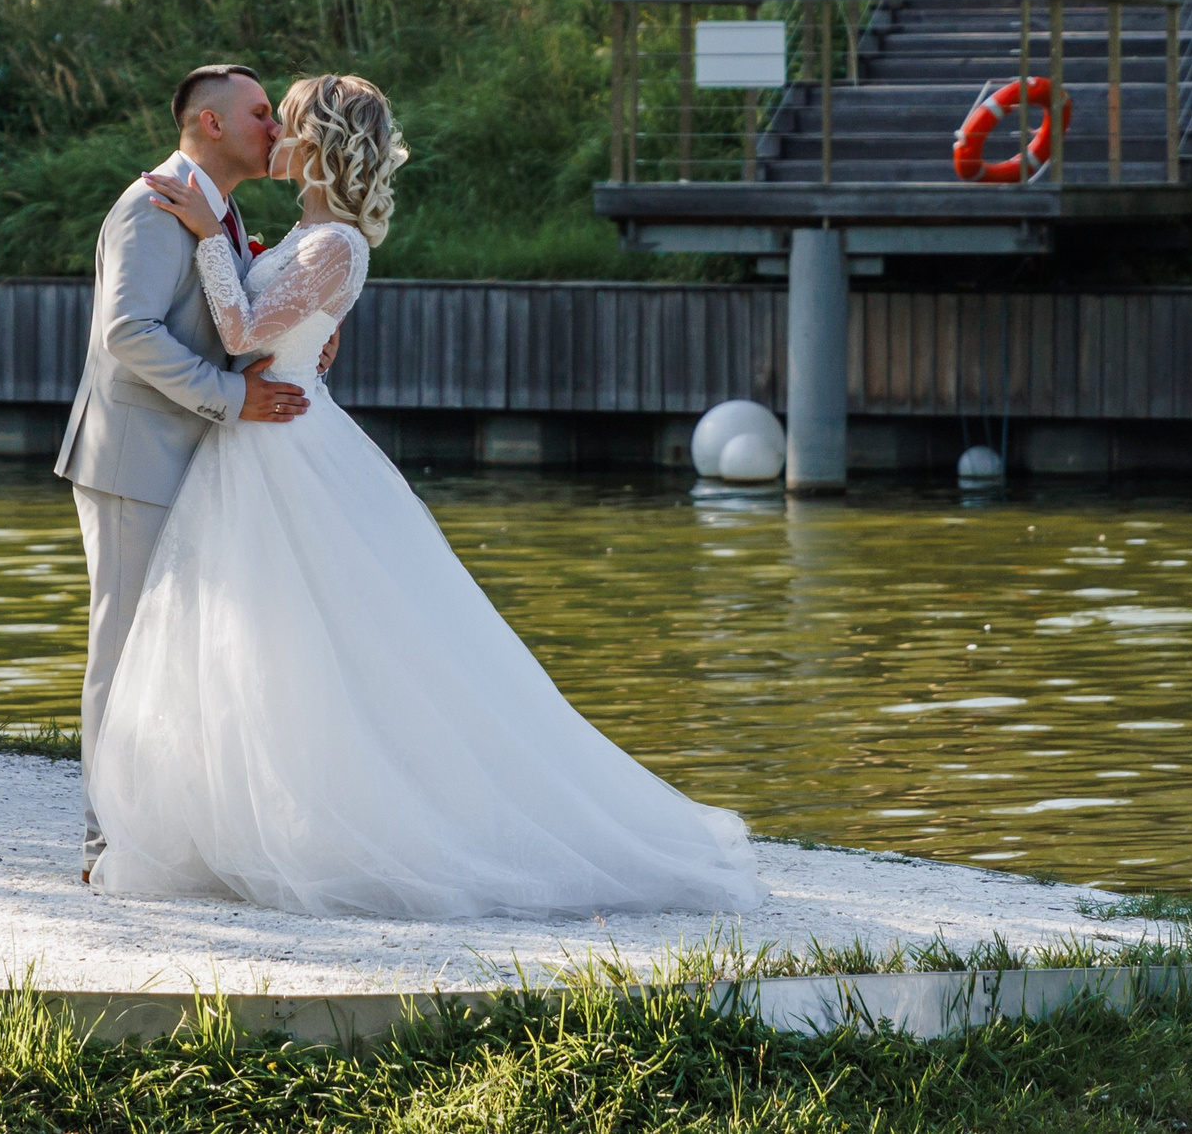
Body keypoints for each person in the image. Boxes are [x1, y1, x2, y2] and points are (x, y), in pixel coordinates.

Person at [84, 74, 764, 919]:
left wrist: (219, 253)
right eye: (267, 119)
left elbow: (240, 332)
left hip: (283, 448)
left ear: (322, 144)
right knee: (245, 652)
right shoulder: (288, 230)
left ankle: (322, 823)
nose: (274, 136)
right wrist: (252, 280)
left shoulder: (329, 243)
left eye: (285, 122)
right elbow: (244, 325)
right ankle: (200, 821)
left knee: (331, 648)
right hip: (244, 445)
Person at [53, 63, 333, 885]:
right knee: (125, 643)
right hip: (134, 456)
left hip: (199, 458)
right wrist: (232, 396)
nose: (275, 129)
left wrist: (303, 333)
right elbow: (128, 334)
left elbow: (224, 319)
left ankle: (177, 826)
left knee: (186, 651)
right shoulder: (151, 204)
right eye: (258, 113)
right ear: (209, 124)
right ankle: (106, 843)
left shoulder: (220, 211)